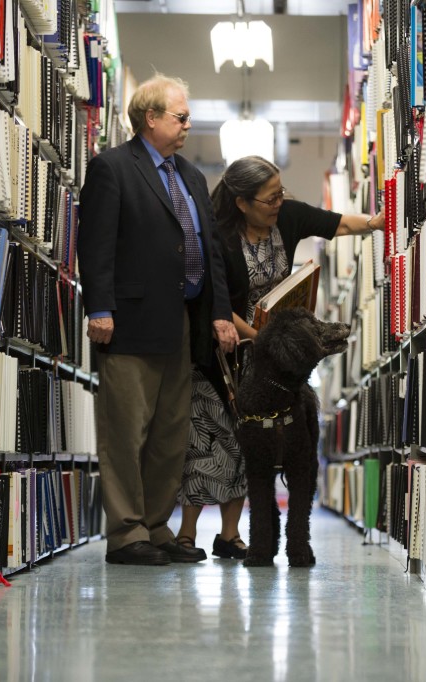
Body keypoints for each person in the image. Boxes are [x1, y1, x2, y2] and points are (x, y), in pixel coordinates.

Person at [175, 155, 384, 559]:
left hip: (272, 358)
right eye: (270, 198)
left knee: (248, 445)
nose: (279, 202)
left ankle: (231, 535)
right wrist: (261, 336)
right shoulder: (217, 235)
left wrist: (375, 223)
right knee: (210, 439)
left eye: (280, 194)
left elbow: (337, 223)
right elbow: (214, 295)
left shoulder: (284, 217)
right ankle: (187, 535)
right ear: (242, 203)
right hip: (224, 346)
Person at [77, 74, 239, 566]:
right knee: (127, 431)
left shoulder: (191, 176)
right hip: (129, 322)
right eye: (181, 116)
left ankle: (156, 525)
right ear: (150, 118)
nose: (188, 124)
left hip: (183, 324)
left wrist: (218, 314)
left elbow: (209, 253)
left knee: (171, 433)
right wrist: (99, 307)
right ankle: (126, 534)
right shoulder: (112, 168)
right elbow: (96, 243)